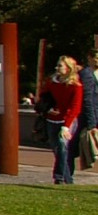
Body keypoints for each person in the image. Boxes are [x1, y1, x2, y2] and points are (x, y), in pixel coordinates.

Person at [38, 56, 83, 185]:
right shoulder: (52, 82)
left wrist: (66, 126)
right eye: (57, 66)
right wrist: (48, 109)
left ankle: (58, 177)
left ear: (68, 68)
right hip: (52, 120)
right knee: (57, 150)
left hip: (67, 121)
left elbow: (75, 107)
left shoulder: (76, 86)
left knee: (63, 147)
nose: (57, 68)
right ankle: (68, 180)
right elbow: (43, 97)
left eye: (60, 66)